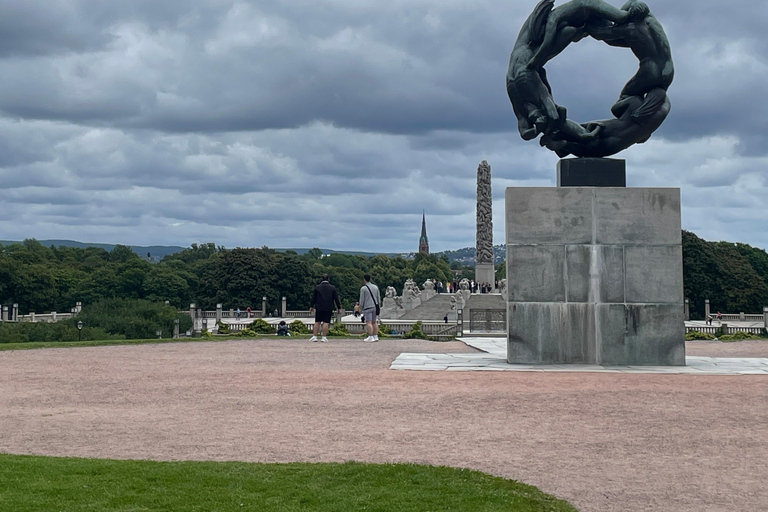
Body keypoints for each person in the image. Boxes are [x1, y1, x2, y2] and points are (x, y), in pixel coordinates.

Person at [309, 274, 341, 343]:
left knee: (317, 322)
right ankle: (324, 337)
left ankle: (315, 336)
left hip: (319, 307)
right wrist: (339, 307)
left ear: (322, 279)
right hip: (328, 307)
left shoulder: (317, 287)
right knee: (326, 322)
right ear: (328, 279)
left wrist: (311, 306)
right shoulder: (332, 288)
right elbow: (336, 298)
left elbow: (314, 298)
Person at [359, 274, 381, 342]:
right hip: (375, 306)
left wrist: (360, 308)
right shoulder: (375, 287)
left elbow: (362, 299)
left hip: (367, 307)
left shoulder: (363, 288)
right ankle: (376, 336)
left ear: (364, 279)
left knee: (369, 322)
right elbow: (378, 298)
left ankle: (370, 336)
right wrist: (378, 306)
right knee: (374, 322)